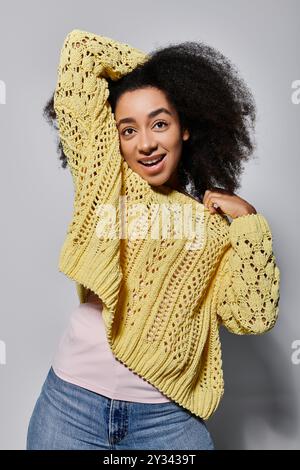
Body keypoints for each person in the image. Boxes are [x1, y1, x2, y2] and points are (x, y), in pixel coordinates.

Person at [26, 29, 280, 450]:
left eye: (160, 123)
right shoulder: (106, 179)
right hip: (70, 406)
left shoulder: (217, 227)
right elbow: (81, 51)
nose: (145, 143)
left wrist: (250, 223)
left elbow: (252, 317)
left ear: (185, 127)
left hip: (165, 420)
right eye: (128, 130)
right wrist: (157, 76)